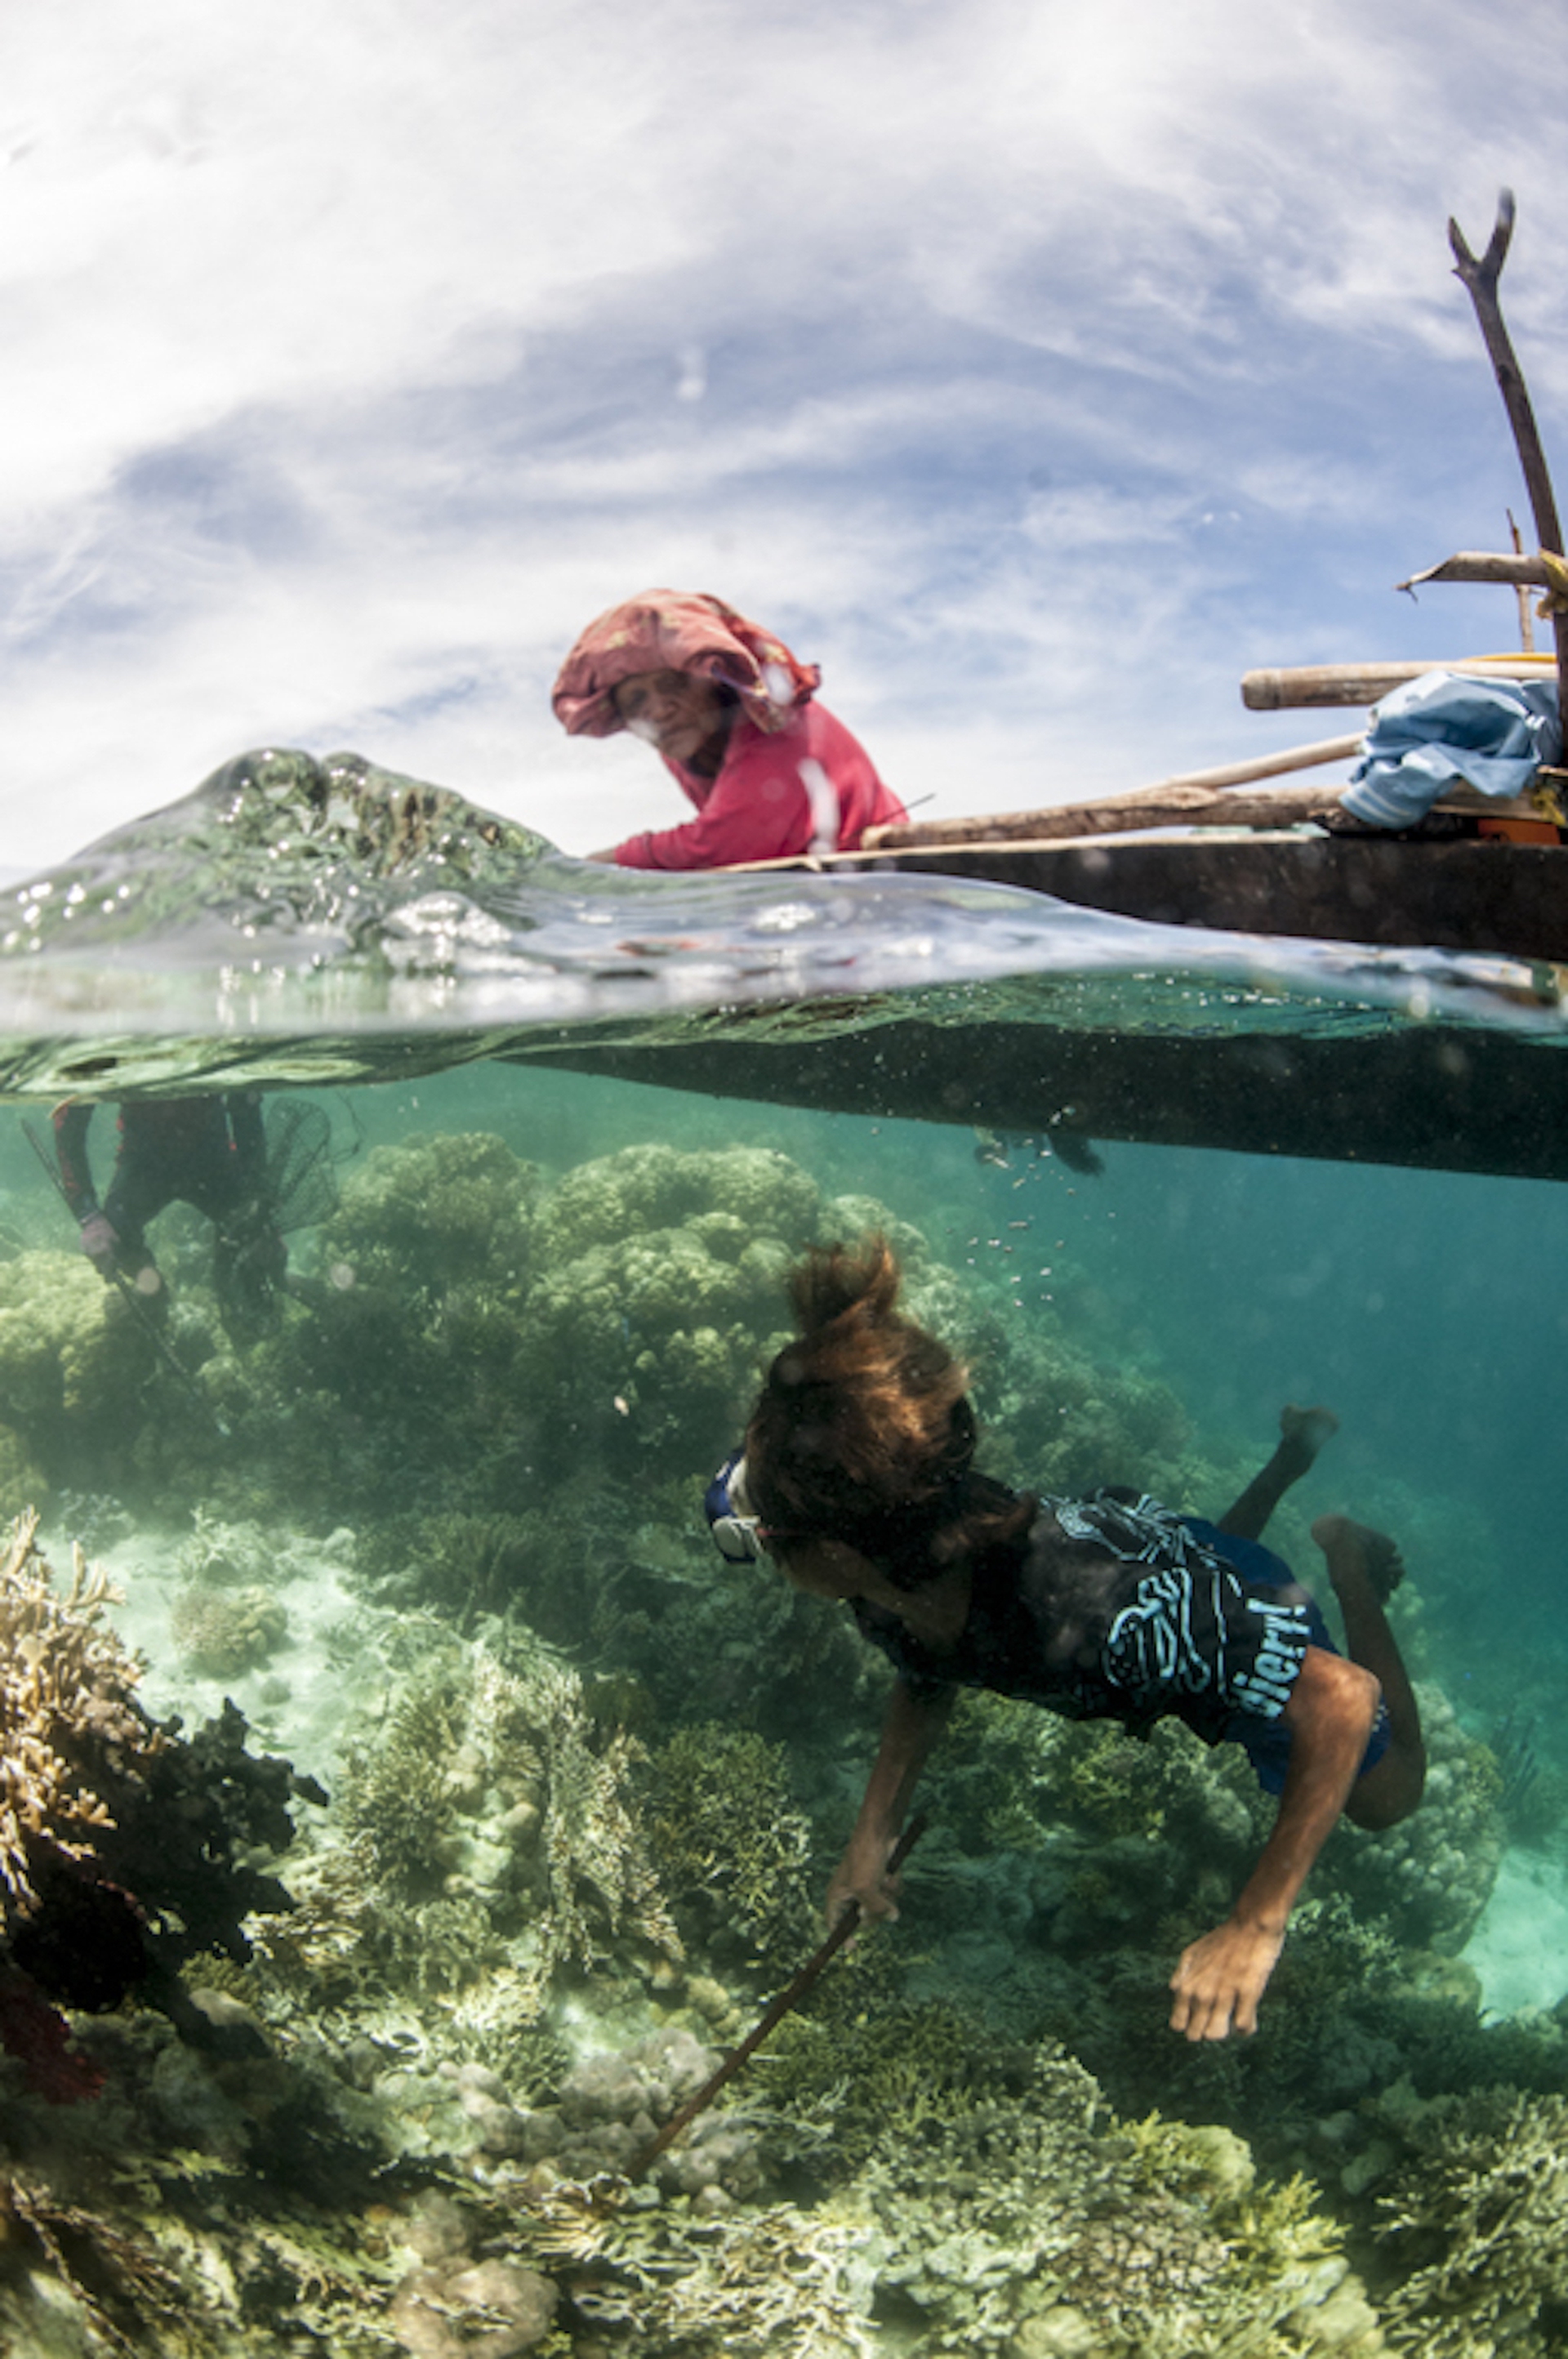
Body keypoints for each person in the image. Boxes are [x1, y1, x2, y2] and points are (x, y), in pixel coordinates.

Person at [705, 1237, 1426, 2043]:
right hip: (1153, 1553)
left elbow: (1341, 1697)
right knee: (1198, 1614)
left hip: (1166, 1586)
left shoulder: (1092, 1622)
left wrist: (1254, 1924)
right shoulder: (895, 1572)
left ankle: (1349, 1559)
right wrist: (869, 1839)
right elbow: (926, 1662)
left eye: (762, 1533)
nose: (758, 1544)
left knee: (1386, 1796)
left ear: (836, 1551)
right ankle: (1291, 1457)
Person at [551, 589, 907, 868]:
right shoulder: (683, 747)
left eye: (675, 684)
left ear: (716, 682)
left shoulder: (776, 724)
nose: (659, 710)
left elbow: (723, 842)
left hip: (877, 874)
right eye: (636, 702)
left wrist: (597, 865)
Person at [52, 1094, 287, 1340]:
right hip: (148, 1162)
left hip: (210, 1159)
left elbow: (245, 1105)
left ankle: (271, 1284)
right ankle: (151, 1289)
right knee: (117, 1236)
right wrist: (89, 1216)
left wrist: (260, 1211)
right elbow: (70, 1118)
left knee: (252, 1235)